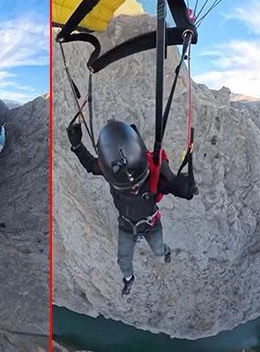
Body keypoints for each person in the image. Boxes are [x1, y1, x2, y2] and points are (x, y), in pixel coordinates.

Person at [67, 119, 197, 295]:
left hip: (149, 224)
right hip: (128, 225)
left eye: (136, 185)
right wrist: (77, 146)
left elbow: (175, 186)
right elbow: (91, 165)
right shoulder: (113, 170)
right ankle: (129, 278)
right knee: (123, 259)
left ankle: (164, 252)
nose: (133, 189)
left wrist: (185, 187)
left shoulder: (155, 175)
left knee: (158, 250)